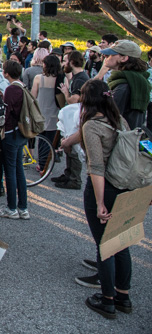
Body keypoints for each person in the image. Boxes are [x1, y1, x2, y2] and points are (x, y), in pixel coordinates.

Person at [73, 79, 133, 319]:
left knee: (104, 245)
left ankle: (106, 299)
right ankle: (123, 296)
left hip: (105, 188)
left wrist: (99, 203)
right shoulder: (120, 120)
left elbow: (96, 167)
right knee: (121, 243)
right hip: (125, 187)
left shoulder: (91, 126)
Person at [0, 60, 30, 220]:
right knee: (18, 170)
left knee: (9, 172)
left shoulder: (11, 89)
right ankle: (23, 207)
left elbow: (6, 112)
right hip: (21, 133)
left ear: (6, 73)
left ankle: (11, 207)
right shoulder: (22, 87)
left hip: (10, 133)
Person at [31, 55, 63, 174]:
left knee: (41, 139)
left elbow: (33, 96)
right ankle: (45, 164)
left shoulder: (38, 78)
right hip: (55, 113)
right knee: (50, 140)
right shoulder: (60, 79)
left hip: (40, 112)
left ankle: (41, 163)